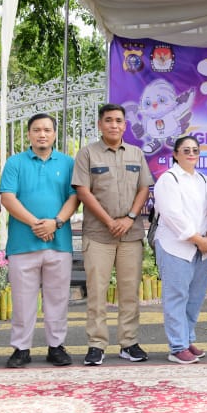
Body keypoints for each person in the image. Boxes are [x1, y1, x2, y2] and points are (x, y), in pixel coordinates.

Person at [72, 103, 154, 366]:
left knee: (129, 291)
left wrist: (130, 217)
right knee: (97, 291)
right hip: (98, 234)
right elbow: (83, 191)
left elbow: (144, 188)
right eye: (108, 120)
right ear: (100, 124)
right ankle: (96, 344)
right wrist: (109, 221)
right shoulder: (87, 154)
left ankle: (128, 343)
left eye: (119, 121)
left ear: (125, 125)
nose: (114, 125)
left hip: (130, 234)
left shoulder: (136, 153)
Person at [0, 113, 80, 369]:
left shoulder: (68, 163)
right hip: (23, 244)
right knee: (23, 300)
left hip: (59, 242)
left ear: (55, 134)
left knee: (57, 298)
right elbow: (8, 198)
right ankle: (21, 348)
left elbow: (75, 197)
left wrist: (54, 223)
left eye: (47, 129)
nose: (42, 134)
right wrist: (36, 223)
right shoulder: (15, 163)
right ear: (29, 134)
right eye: (37, 130)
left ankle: (56, 346)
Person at [154, 135, 207, 364]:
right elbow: (172, 215)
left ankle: (187, 338)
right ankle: (177, 346)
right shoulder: (168, 179)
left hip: (201, 248)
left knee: (195, 298)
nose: (191, 154)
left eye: (195, 150)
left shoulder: (203, 179)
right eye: (186, 150)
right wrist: (197, 239)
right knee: (176, 297)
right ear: (176, 154)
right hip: (175, 247)